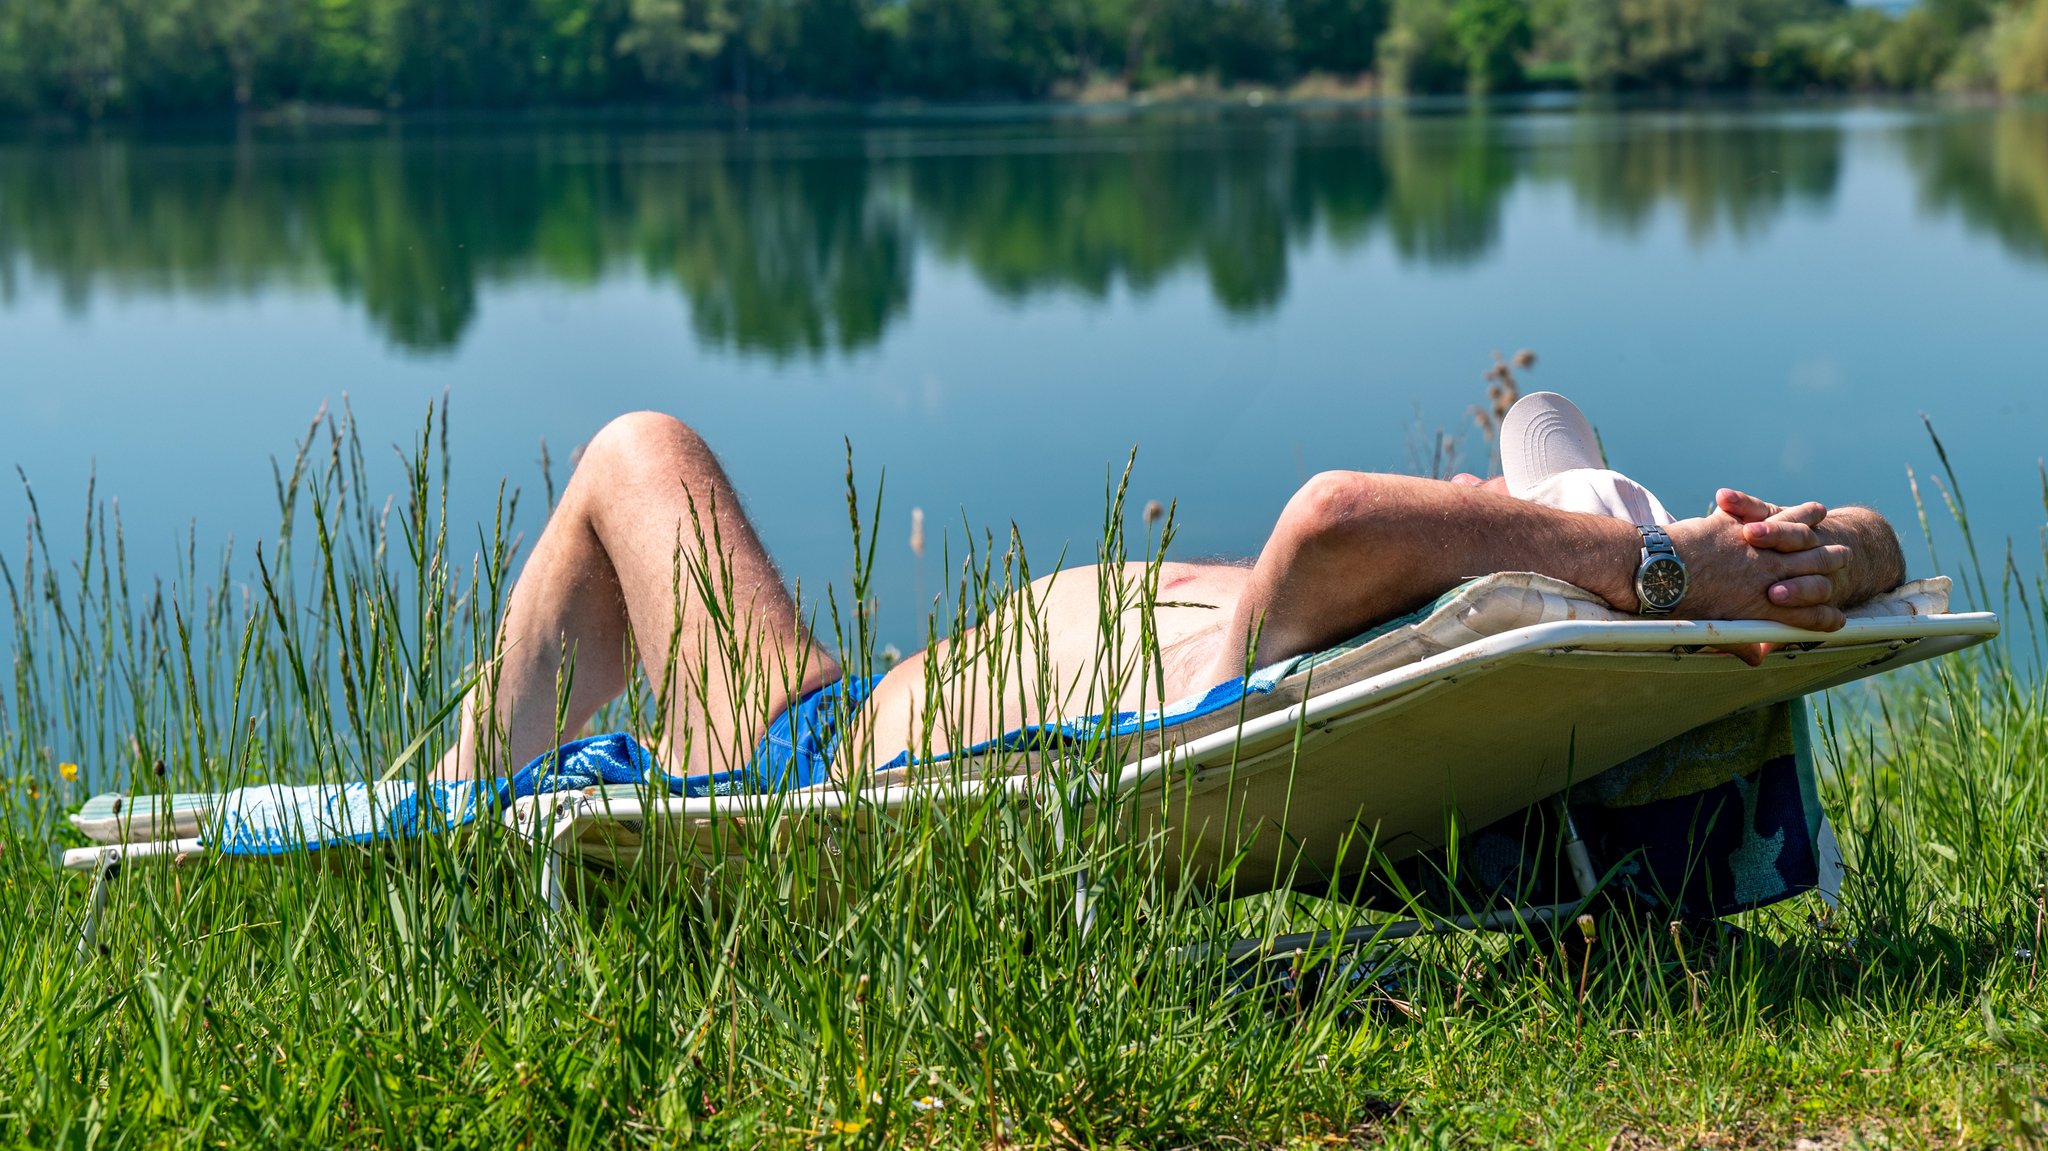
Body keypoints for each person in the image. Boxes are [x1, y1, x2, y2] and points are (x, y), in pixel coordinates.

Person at [433, 397, 1906, 789]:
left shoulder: (1352, 602)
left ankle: (436, 814)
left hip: (806, 757)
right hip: (847, 716)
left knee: (639, 451)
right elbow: (1550, 449)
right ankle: (458, 792)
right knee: (644, 474)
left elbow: (1331, 514)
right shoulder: (1430, 608)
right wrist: (1852, 548)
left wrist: (1655, 565)